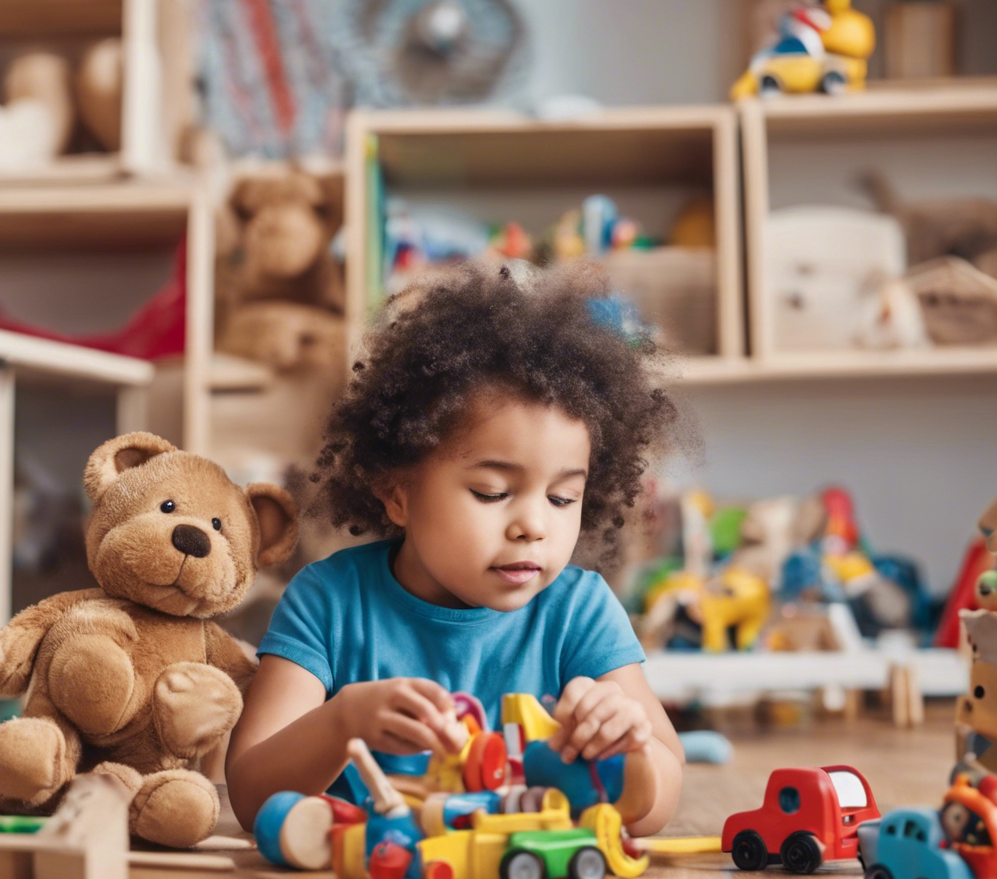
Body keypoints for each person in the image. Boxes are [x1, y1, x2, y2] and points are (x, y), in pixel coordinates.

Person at [226, 262, 685, 835]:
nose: (533, 526)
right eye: (492, 492)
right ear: (398, 495)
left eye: (563, 498)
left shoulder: (580, 611)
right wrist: (342, 722)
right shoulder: (329, 601)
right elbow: (249, 791)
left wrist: (629, 747)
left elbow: (660, 799)